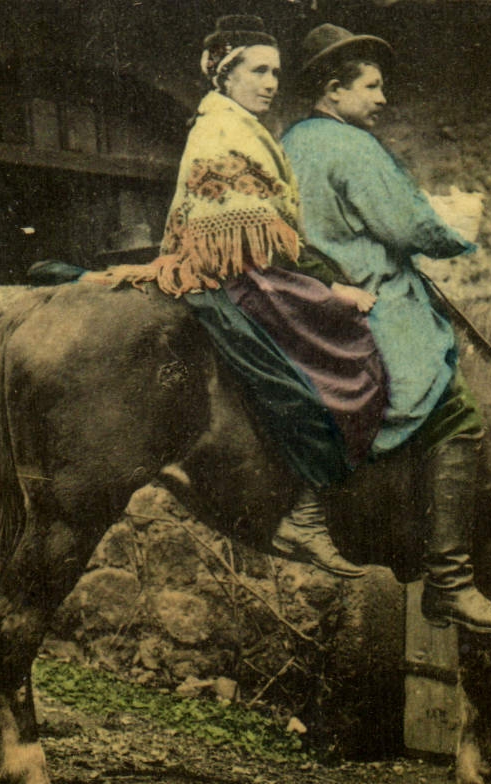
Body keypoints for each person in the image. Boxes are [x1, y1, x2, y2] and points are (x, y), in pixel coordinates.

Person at [100, 15, 384, 579]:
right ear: (225, 74)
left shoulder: (245, 129)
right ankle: (305, 512)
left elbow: (280, 232)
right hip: (237, 276)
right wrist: (331, 292)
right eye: (258, 70)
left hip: (252, 267)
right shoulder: (223, 131)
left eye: (276, 72)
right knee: (348, 362)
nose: (271, 82)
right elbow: (248, 242)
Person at [280, 24, 491, 634]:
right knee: (457, 409)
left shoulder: (290, 143)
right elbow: (410, 226)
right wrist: (459, 228)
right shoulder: (352, 148)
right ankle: (450, 580)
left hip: (310, 297)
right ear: (334, 91)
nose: (383, 99)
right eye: (373, 86)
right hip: (369, 298)